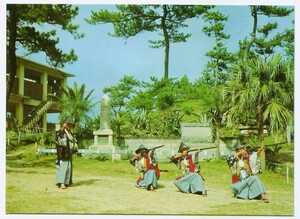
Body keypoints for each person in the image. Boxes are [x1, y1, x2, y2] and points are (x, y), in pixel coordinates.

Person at [55, 120, 78, 189]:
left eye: (71, 125)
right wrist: (63, 127)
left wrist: (75, 149)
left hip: (69, 152)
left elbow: (74, 142)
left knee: (69, 167)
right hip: (63, 152)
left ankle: (67, 182)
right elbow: (58, 134)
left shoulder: (70, 133)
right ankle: (61, 183)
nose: (70, 126)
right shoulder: (62, 132)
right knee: (63, 167)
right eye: (69, 125)